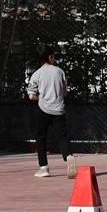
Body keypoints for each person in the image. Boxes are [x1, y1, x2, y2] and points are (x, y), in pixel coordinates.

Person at [26, 46, 76, 179]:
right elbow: (64, 92)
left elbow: (31, 96)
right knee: (62, 136)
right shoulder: (59, 72)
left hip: (43, 109)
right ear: (50, 57)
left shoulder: (36, 74)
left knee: (41, 137)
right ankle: (69, 157)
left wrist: (41, 97)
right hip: (59, 109)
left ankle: (44, 168)